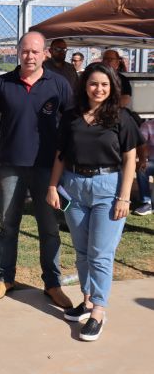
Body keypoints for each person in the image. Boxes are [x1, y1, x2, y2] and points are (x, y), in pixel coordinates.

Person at [46, 63, 140, 341]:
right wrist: (53, 186)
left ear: (112, 88)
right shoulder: (71, 116)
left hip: (107, 188)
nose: (98, 89)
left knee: (100, 253)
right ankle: (87, 301)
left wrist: (124, 197)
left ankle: (99, 310)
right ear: (84, 86)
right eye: (93, 83)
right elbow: (61, 154)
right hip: (73, 188)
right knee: (82, 251)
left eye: (104, 85)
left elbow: (130, 160)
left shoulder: (121, 118)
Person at [0, 31, 73, 308]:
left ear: (44, 53)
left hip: (48, 169)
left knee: (49, 228)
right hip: (11, 166)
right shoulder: (3, 83)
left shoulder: (59, 84)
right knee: (8, 225)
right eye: (25, 51)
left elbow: (71, 126)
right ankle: (5, 277)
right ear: (17, 51)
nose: (30, 56)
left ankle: (52, 284)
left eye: (35, 51)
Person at [134, 118, 154, 216]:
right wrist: (143, 159)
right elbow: (141, 143)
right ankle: (147, 203)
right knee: (142, 168)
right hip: (152, 161)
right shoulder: (147, 125)